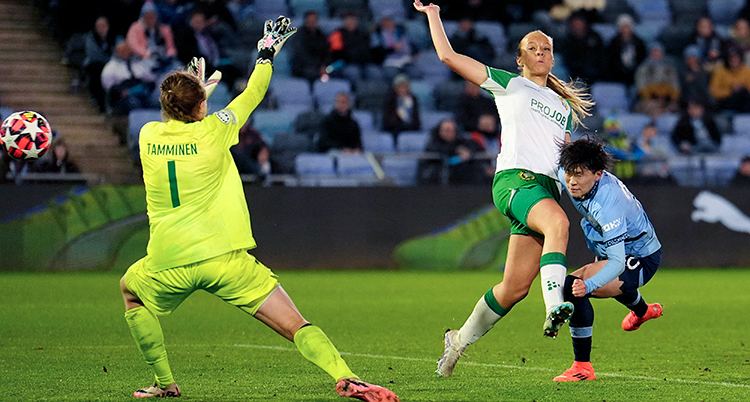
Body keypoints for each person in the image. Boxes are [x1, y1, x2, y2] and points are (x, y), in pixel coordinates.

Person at [118, 16, 399, 402]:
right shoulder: (216, 130)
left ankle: (165, 383)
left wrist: (200, 91)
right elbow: (254, 90)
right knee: (295, 324)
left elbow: (179, 118)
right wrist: (265, 53)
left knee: (130, 291)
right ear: (201, 106)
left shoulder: (148, 135)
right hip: (224, 259)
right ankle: (346, 375)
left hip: (168, 261)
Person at [413, 0, 594, 377]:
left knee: (513, 289)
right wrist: (433, 15)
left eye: (546, 49)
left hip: (544, 189)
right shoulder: (510, 85)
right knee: (558, 226)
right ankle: (554, 306)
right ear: (521, 59)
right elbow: (447, 57)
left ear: (553, 58)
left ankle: (457, 341)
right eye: (533, 48)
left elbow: (560, 160)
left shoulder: (561, 104)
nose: (541, 53)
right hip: (516, 181)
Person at [554, 138, 663, 381]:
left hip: (640, 257)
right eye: (569, 173)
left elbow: (616, 263)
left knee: (575, 286)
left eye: (579, 174)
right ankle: (643, 311)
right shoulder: (568, 175)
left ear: (598, 174)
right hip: (611, 246)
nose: (572, 181)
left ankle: (582, 367)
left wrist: (588, 285)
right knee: (614, 284)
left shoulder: (609, 204)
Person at [418, 118, 485, 185]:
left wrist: (468, 151)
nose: (449, 133)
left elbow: (476, 147)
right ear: (439, 131)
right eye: (446, 130)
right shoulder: (433, 141)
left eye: (452, 130)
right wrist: (456, 149)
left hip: (461, 179)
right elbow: (438, 149)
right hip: (438, 178)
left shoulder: (460, 140)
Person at [100, 39, 159, 116]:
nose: (126, 52)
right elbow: (108, 87)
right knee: (134, 103)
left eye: (127, 50)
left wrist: (145, 87)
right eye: (123, 50)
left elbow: (152, 79)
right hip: (123, 95)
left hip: (142, 92)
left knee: (156, 101)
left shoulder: (137, 63)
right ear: (117, 52)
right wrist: (121, 91)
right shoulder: (111, 67)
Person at [633, 42, 681, 118]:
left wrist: (673, 97)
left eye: (659, 52)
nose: (656, 54)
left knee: (674, 109)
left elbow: (675, 85)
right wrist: (652, 92)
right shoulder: (643, 68)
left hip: (666, 98)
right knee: (654, 110)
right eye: (654, 52)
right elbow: (641, 86)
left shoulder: (669, 68)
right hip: (649, 99)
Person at [83, 16, 116, 112]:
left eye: (103, 26)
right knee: (96, 72)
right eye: (99, 26)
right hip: (96, 65)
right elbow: (93, 54)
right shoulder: (91, 37)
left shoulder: (114, 38)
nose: (101, 28)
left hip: (112, 66)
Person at [605, 14, 647, 87]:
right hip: (618, 74)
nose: (626, 29)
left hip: (635, 73)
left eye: (628, 26)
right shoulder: (613, 43)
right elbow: (611, 60)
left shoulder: (639, 42)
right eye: (623, 27)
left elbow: (642, 58)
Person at [291, 11, 329, 83]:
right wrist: (318, 66)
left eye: (314, 20)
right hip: (303, 66)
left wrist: (324, 65)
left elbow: (326, 52)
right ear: (306, 21)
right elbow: (301, 54)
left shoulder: (321, 35)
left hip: (319, 66)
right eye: (310, 20)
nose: (312, 22)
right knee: (311, 73)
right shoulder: (299, 35)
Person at [709, 47, 750, 113]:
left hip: (744, 100)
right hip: (726, 100)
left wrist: (741, 87)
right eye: (731, 59)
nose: (734, 61)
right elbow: (714, 91)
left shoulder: (747, 70)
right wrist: (730, 90)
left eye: (736, 59)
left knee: (742, 92)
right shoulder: (720, 71)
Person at [382, 74, 421, 138]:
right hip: (394, 129)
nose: (403, 90)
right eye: (400, 87)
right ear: (395, 88)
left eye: (405, 87)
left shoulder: (413, 99)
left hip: (410, 128)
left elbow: (416, 118)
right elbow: (387, 120)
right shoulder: (390, 100)